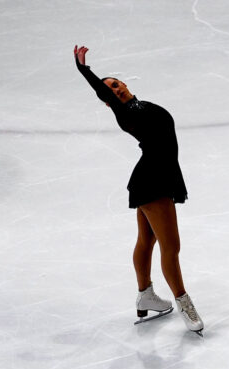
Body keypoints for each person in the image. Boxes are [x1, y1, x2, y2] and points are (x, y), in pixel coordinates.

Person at [73, 45, 203, 335]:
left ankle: (146, 295)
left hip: (156, 176)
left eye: (117, 84)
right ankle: (184, 302)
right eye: (109, 92)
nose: (115, 90)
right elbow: (104, 92)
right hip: (153, 181)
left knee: (147, 240)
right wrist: (84, 70)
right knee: (172, 247)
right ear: (107, 102)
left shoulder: (139, 106)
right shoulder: (125, 113)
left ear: (126, 84)